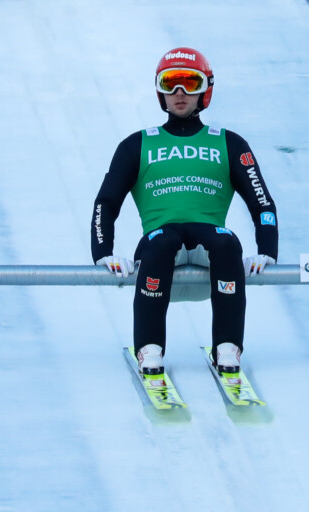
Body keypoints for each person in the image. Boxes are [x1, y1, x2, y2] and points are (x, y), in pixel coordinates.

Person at [90, 47, 278, 375]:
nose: (179, 93)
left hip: (212, 253)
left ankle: (227, 347)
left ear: (205, 90)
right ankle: (149, 348)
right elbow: (106, 202)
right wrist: (102, 252)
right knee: (163, 240)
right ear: (159, 90)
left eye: (190, 83)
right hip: (159, 253)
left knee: (226, 241)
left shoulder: (230, 143)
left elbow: (261, 201)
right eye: (170, 83)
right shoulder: (136, 144)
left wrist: (267, 251)